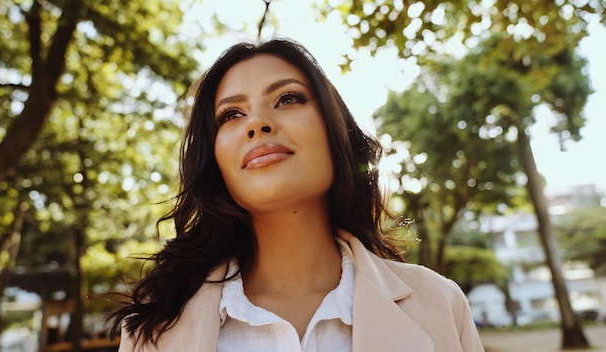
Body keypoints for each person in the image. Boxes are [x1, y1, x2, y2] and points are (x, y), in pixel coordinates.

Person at [109, 38, 484, 351]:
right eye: (231, 115)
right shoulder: (151, 328)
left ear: (335, 131)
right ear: (214, 162)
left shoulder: (441, 304)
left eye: (288, 99)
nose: (257, 122)